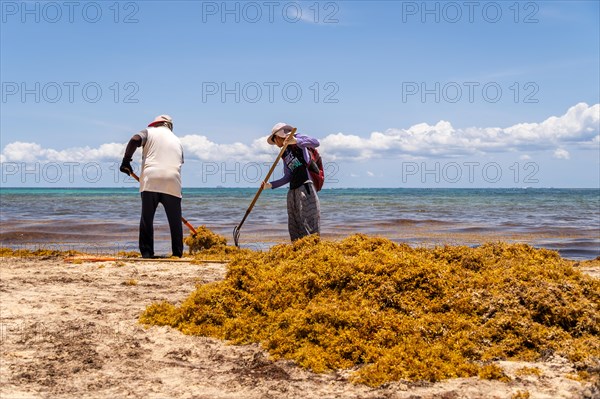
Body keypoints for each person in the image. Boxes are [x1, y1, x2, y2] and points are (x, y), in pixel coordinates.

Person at [119, 115, 184, 258]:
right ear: (169, 126)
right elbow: (179, 163)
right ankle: (177, 253)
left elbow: (135, 140)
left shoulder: (149, 132)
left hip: (151, 179)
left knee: (147, 219)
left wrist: (126, 161)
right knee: (175, 222)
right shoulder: (177, 141)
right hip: (173, 181)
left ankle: (147, 253)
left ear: (157, 124)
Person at [262, 122, 321, 241]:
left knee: (308, 219)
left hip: (305, 186)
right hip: (293, 189)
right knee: (294, 222)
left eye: (275, 140)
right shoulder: (285, 153)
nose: (275, 144)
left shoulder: (297, 139)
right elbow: (287, 176)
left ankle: (312, 248)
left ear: (278, 136)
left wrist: (295, 141)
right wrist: (270, 185)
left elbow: (316, 142)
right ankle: (296, 248)